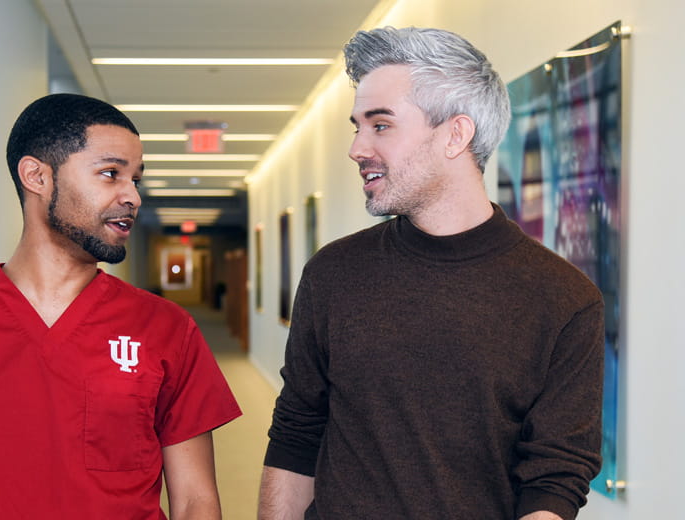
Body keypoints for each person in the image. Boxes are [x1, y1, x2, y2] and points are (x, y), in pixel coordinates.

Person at [258, 27, 604, 520]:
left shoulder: (564, 298)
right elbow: (297, 432)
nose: (357, 148)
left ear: (456, 135)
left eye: (380, 126)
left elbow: (555, 478)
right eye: (356, 126)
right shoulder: (333, 273)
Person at [0, 94, 242, 519]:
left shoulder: (166, 328)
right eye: (111, 174)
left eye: (136, 179)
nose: (133, 196)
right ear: (36, 176)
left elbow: (195, 502)